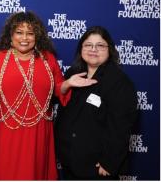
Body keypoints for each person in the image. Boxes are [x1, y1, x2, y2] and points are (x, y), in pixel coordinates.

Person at [0, 11, 96, 180]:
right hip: (8, 134)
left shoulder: (48, 59)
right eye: (19, 32)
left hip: (39, 133)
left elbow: (57, 90)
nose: (24, 38)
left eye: (30, 33)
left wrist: (68, 83)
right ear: (10, 35)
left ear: (37, 36)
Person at [54, 26, 138, 180]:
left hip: (96, 166)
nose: (93, 49)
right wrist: (66, 85)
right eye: (88, 45)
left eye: (100, 45)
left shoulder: (119, 82)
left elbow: (121, 127)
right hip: (70, 160)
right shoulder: (73, 73)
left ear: (109, 49)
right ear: (81, 48)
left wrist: (109, 162)